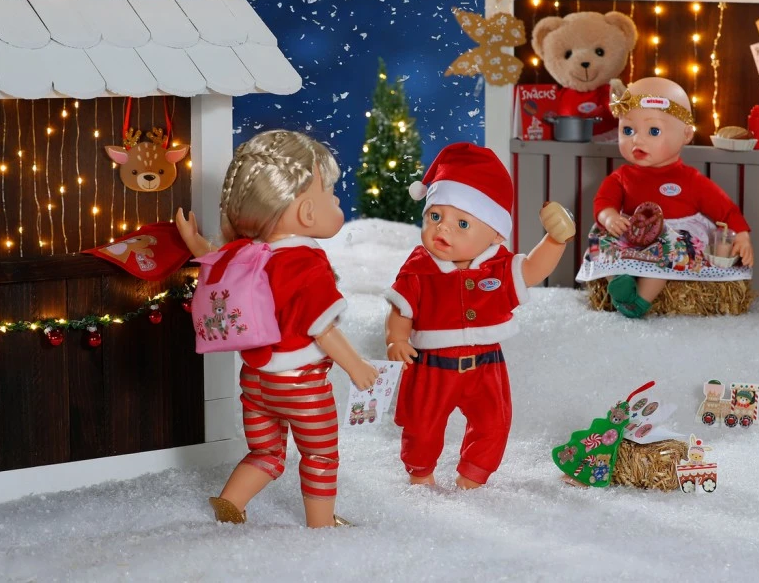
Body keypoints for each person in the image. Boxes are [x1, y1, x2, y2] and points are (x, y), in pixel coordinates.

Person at [175, 130, 378, 528]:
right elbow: (321, 328)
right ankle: (321, 524)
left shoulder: (247, 251)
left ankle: (231, 503)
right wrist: (356, 365)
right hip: (302, 386)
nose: (338, 201)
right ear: (306, 212)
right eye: (332, 194)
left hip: (255, 379)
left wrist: (194, 242)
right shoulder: (306, 262)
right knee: (320, 455)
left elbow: (214, 261)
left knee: (266, 452)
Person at [384, 142, 575, 489]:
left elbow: (532, 270)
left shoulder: (498, 267)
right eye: (435, 217)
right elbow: (401, 310)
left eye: (462, 223)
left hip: (487, 364)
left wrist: (555, 241)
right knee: (422, 425)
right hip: (432, 366)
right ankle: (420, 474)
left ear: (496, 234)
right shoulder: (419, 269)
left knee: (493, 423)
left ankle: (473, 476)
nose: (443, 229)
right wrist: (396, 338)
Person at [596, 77, 754, 318]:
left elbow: (725, 208)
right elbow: (603, 202)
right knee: (604, 244)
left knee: (667, 257)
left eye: (654, 131)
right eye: (628, 130)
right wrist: (610, 218)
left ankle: (639, 301)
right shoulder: (622, 177)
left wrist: (741, 235)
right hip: (632, 233)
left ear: (686, 134)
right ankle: (619, 282)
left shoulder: (691, 180)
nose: (637, 139)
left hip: (668, 242)